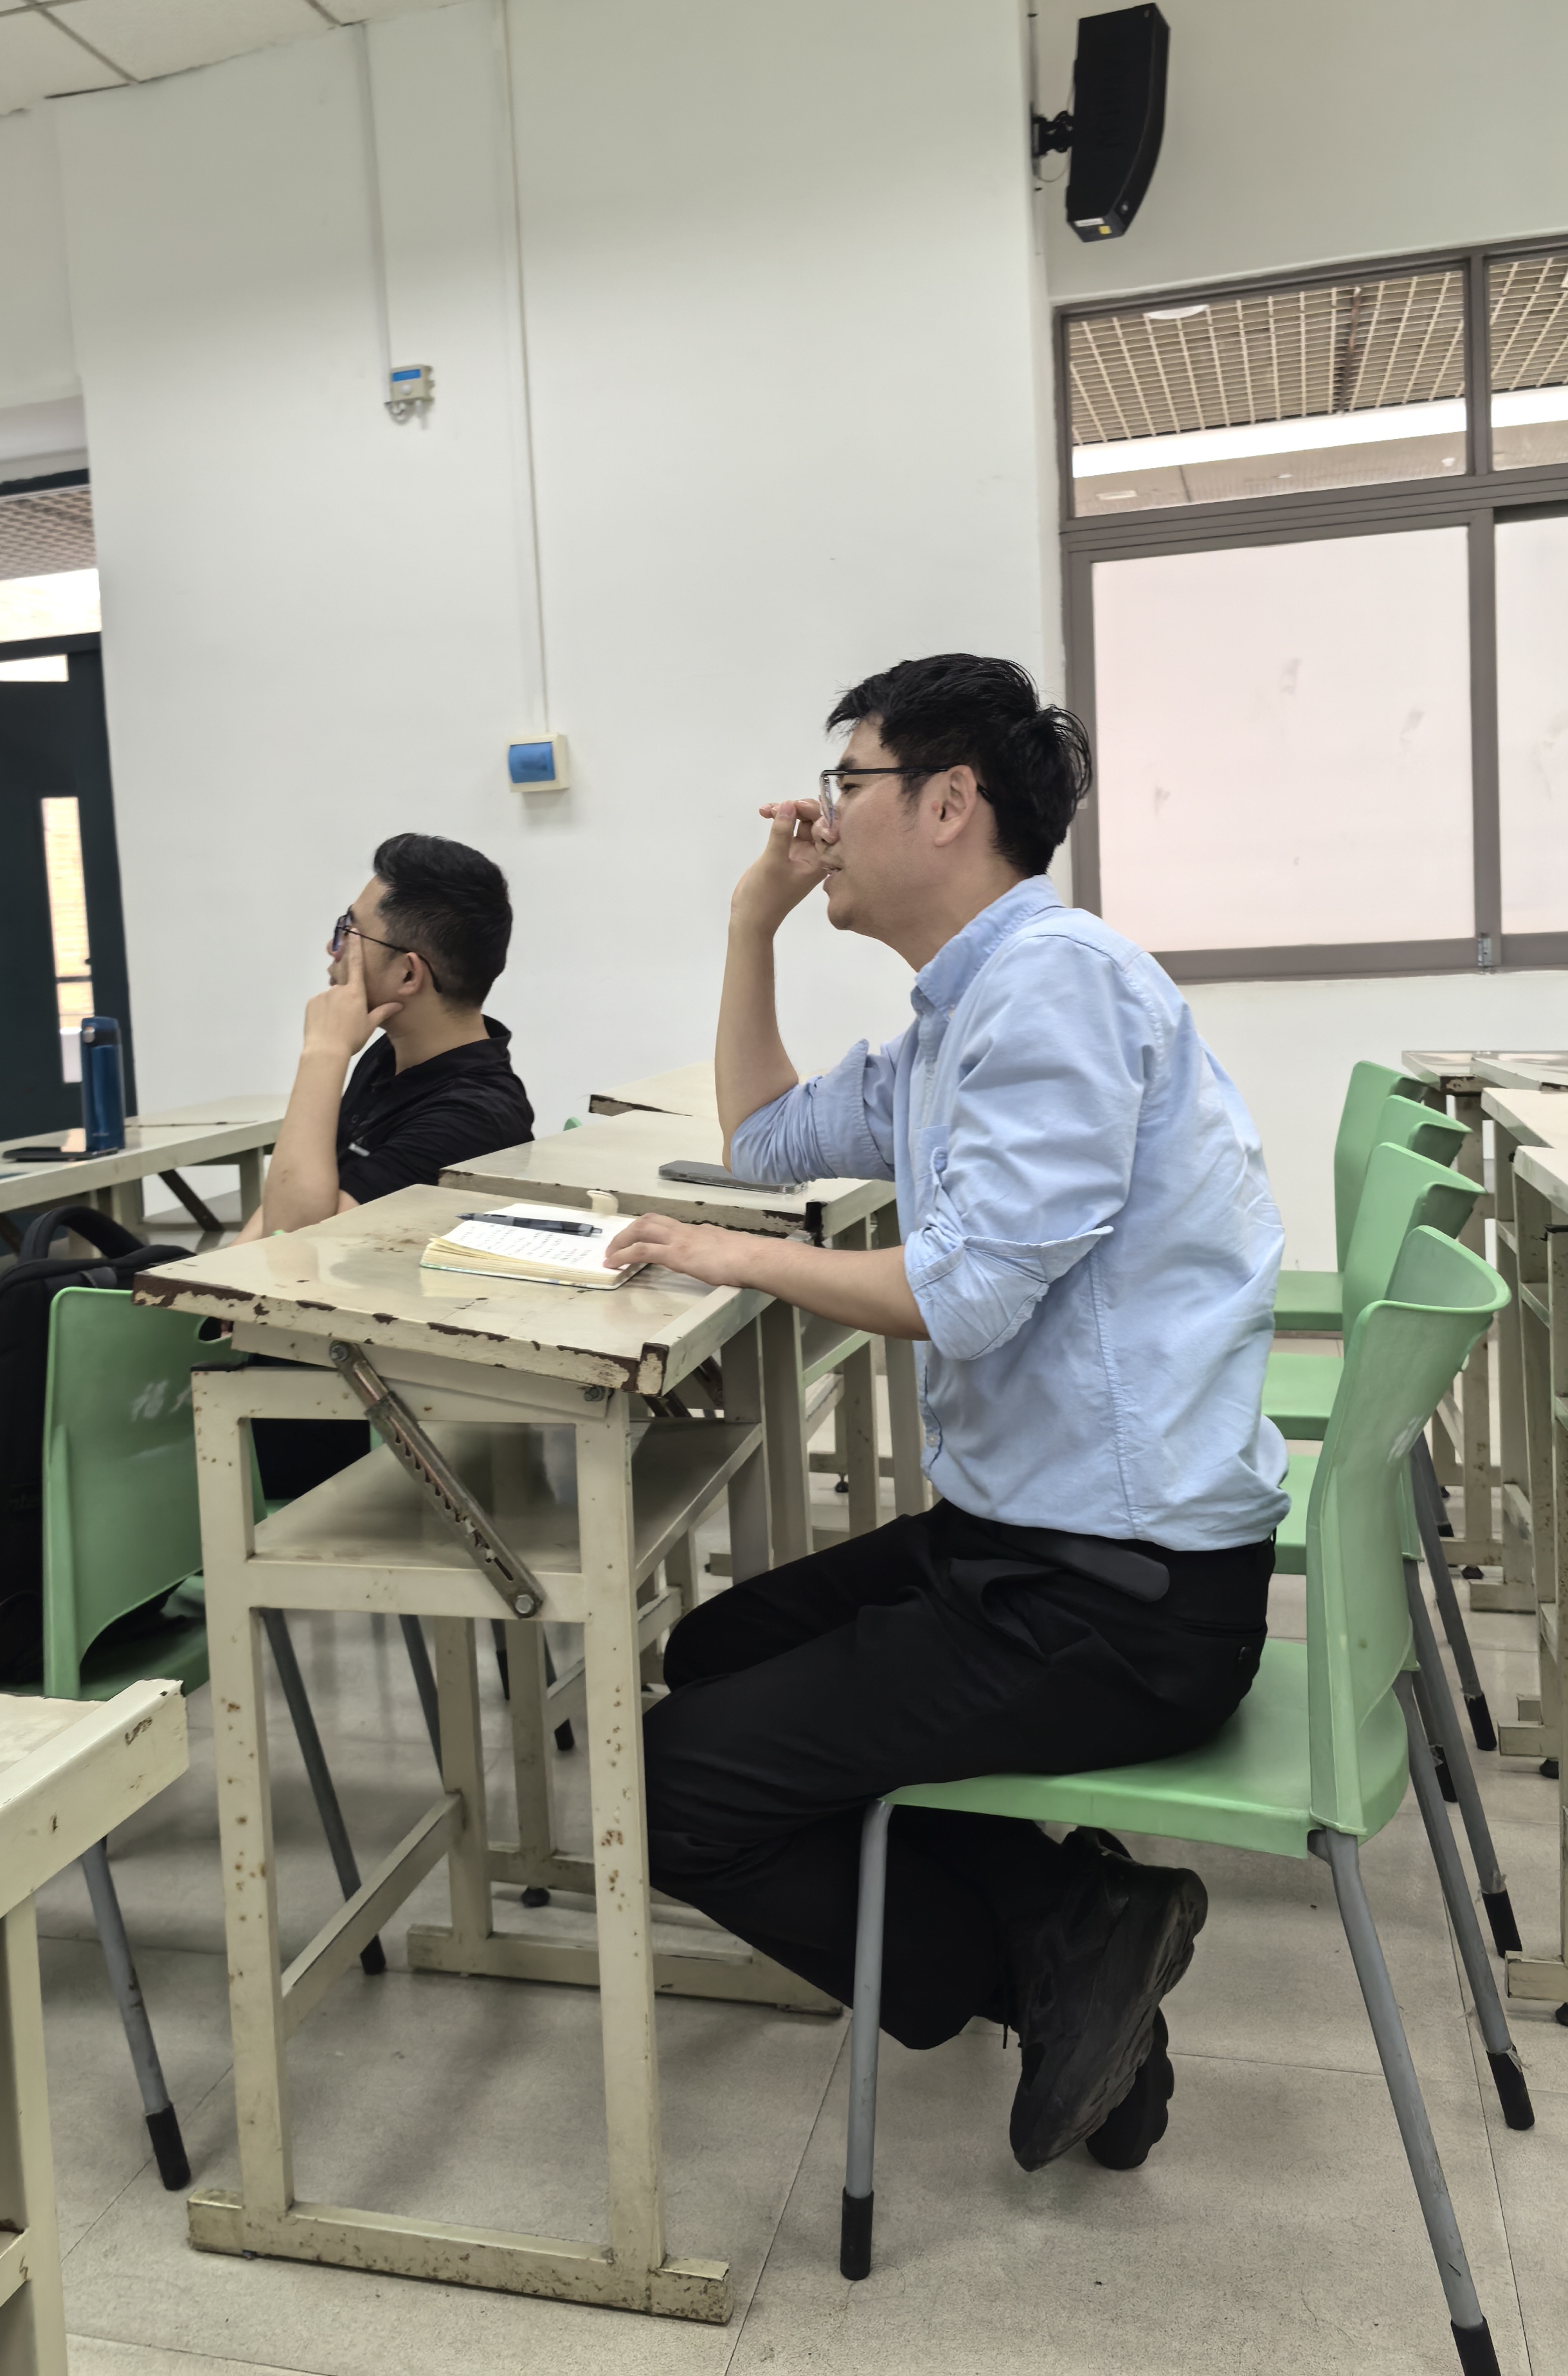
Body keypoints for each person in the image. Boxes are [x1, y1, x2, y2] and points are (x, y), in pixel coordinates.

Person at [605, 653, 1288, 2175]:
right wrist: (752, 922)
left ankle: (1042, 1970)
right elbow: (760, 1137)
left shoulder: (1056, 988)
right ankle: (1067, 1921)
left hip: (1120, 1598)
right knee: (713, 1650)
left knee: (662, 1786)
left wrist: (729, 1258)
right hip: (1031, 1543)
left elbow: (968, 1291)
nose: (820, 820)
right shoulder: (957, 1014)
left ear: (948, 801)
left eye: (844, 784)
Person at [242, 831, 533, 1498]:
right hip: (299, 1339)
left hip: (352, 1390)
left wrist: (322, 1053)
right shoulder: (389, 1058)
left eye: (349, 932)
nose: (333, 951)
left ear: (408, 974)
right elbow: (277, 1218)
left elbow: (294, 1239)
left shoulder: (472, 1116)